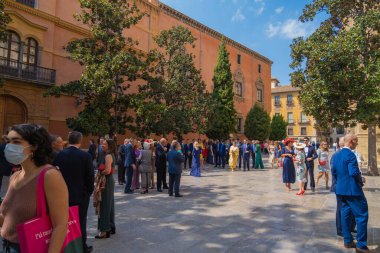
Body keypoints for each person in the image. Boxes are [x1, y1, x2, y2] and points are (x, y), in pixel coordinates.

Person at [0, 124, 68, 253]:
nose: (9, 146)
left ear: (34, 146)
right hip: (6, 246)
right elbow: (9, 218)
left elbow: (60, 225)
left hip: (31, 247)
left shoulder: (49, 175)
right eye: (8, 141)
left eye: (16, 141)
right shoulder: (14, 176)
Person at [53, 131, 94, 253]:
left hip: (62, 196)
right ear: (80, 141)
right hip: (80, 196)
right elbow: (90, 177)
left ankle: (64, 245)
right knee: (81, 221)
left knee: (62, 222)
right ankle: (82, 246)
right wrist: (88, 192)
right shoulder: (85, 156)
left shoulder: (59, 155)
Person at [332, 134, 369, 252]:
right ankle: (361, 245)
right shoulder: (351, 155)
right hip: (353, 191)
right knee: (362, 215)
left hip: (341, 189)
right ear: (351, 142)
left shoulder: (336, 155)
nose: (357, 144)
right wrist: (361, 180)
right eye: (356, 141)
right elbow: (353, 172)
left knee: (345, 215)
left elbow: (334, 172)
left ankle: (347, 241)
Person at [330, 137, 356, 237]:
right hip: (340, 185)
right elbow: (334, 171)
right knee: (341, 208)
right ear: (342, 144)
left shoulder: (346, 153)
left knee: (348, 208)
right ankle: (340, 229)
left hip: (346, 185)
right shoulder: (336, 155)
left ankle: (349, 227)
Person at [94, 139, 116, 239]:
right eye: (102, 143)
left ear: (110, 145)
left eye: (105, 144)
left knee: (104, 205)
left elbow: (107, 171)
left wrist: (99, 172)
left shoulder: (108, 156)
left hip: (106, 181)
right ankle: (111, 227)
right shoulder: (111, 155)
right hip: (109, 181)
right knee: (109, 204)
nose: (102, 145)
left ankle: (104, 230)